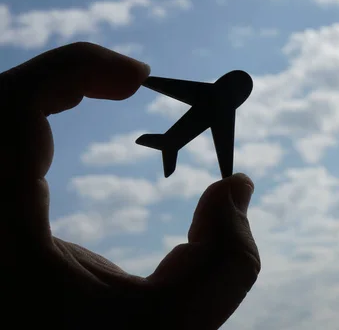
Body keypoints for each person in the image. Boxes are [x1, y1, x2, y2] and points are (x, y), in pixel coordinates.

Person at [0, 42, 261, 329]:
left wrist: (148, 82)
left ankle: (167, 144)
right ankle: (167, 143)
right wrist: (150, 82)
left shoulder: (219, 105)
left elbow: (224, 145)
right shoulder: (215, 99)